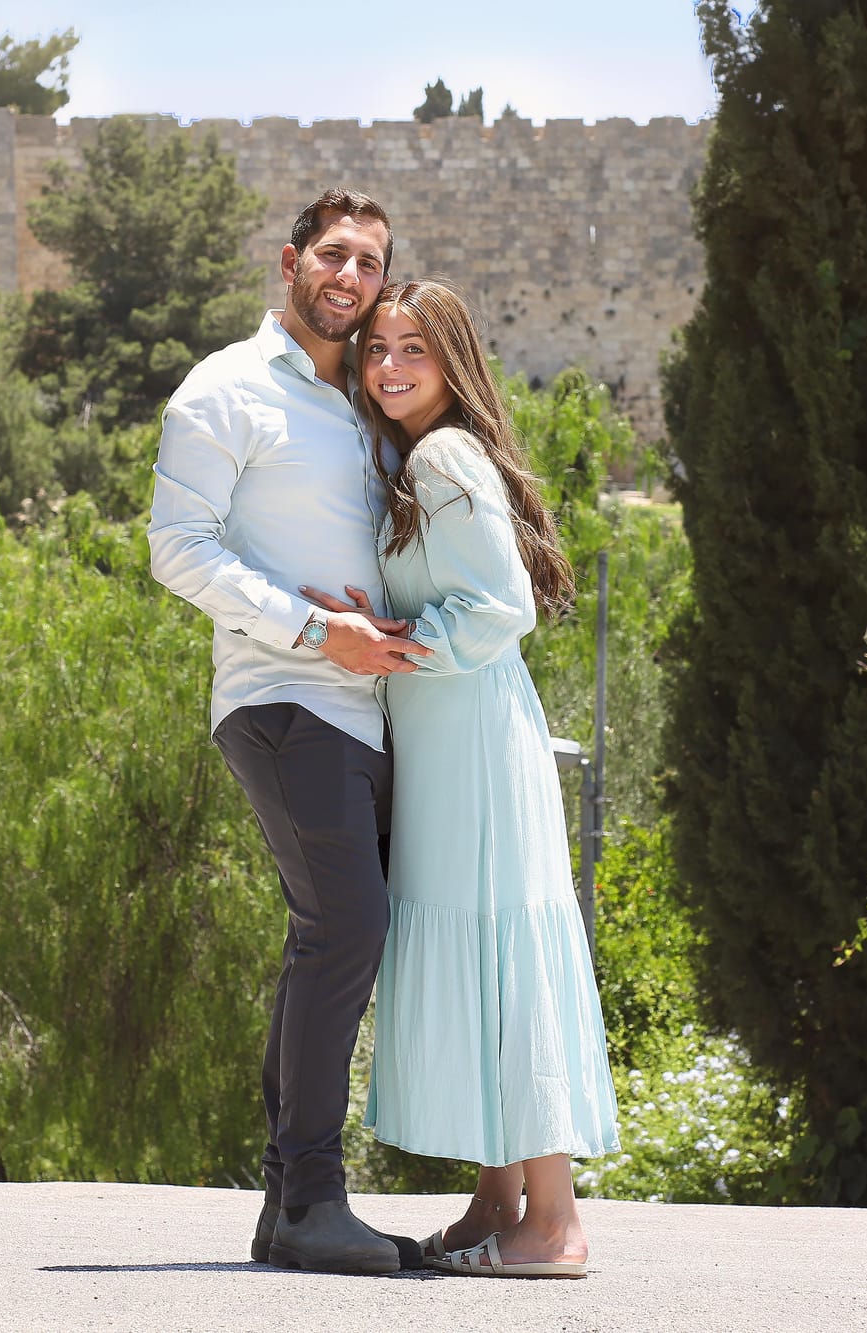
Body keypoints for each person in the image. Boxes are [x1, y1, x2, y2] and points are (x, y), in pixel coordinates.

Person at [305, 278, 619, 1278]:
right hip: (453, 735)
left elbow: (500, 607)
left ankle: (554, 1224)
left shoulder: (442, 457)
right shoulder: (422, 458)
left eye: (414, 349)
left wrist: (393, 645)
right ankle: (498, 1199)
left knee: (500, 953)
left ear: (453, 362)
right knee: (485, 951)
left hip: (474, 740)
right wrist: (384, 627)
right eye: (376, 349)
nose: (389, 366)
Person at [148, 188, 430, 1275]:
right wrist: (317, 630)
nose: (350, 277)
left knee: (332, 934)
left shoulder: (371, 398)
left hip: (373, 709)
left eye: (369, 262)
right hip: (282, 698)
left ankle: (287, 1209)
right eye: (333, 255)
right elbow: (178, 548)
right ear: (290, 261)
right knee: (345, 927)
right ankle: (312, 1199)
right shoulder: (224, 388)